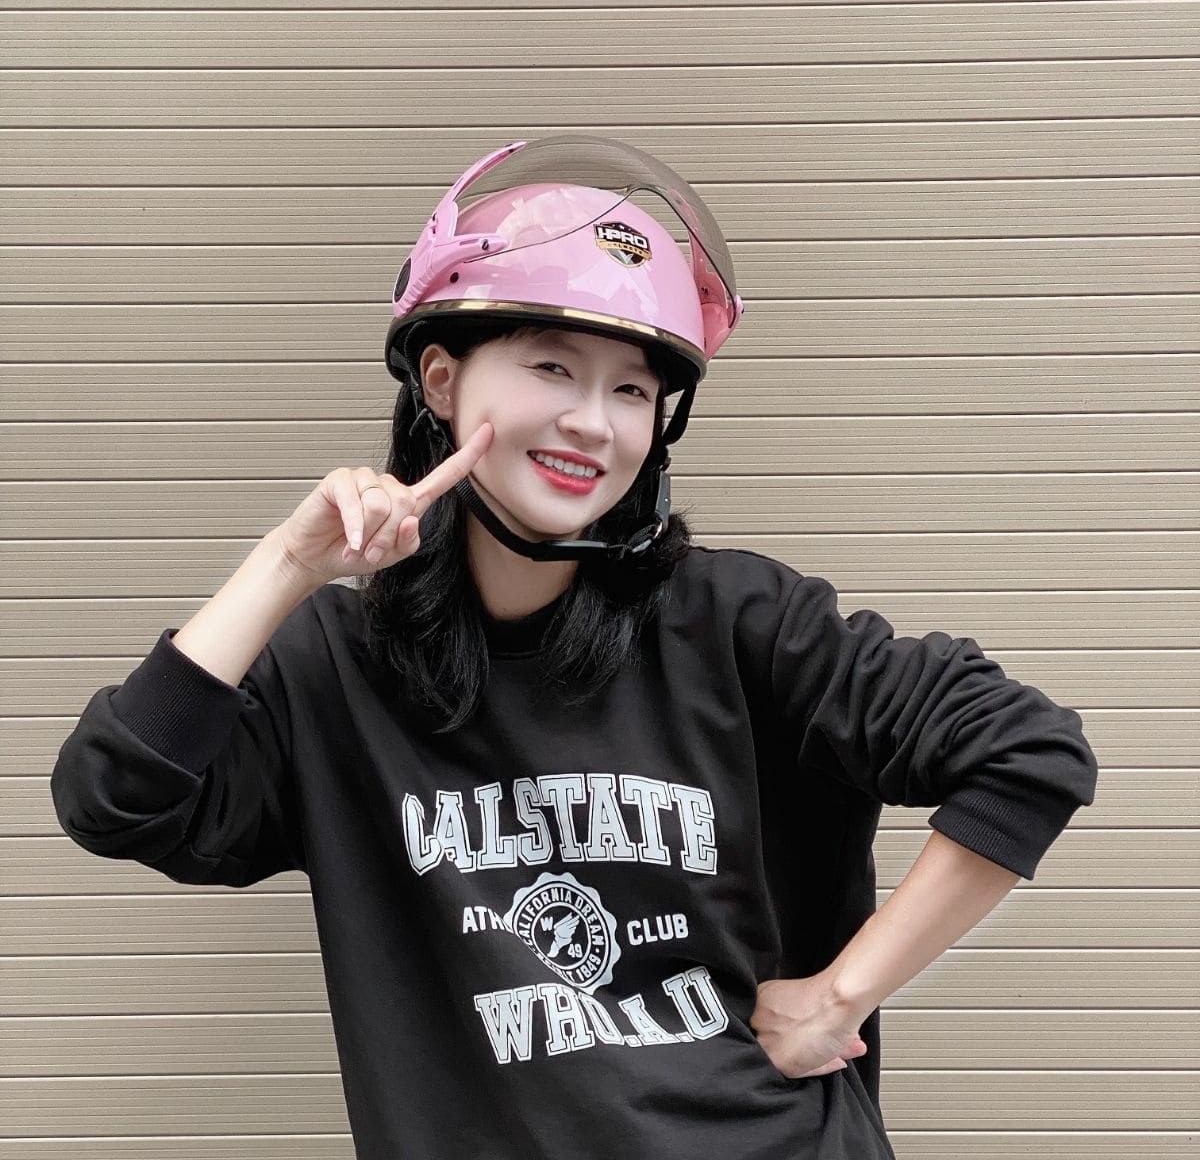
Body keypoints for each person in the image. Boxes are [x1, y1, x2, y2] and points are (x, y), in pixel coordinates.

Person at [51, 134, 1099, 1159]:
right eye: (553, 367)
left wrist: (841, 997)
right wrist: (288, 563)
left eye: (632, 389)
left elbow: (1027, 753)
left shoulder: (738, 622)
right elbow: (113, 797)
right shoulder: (337, 666)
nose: (594, 423)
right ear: (441, 379)